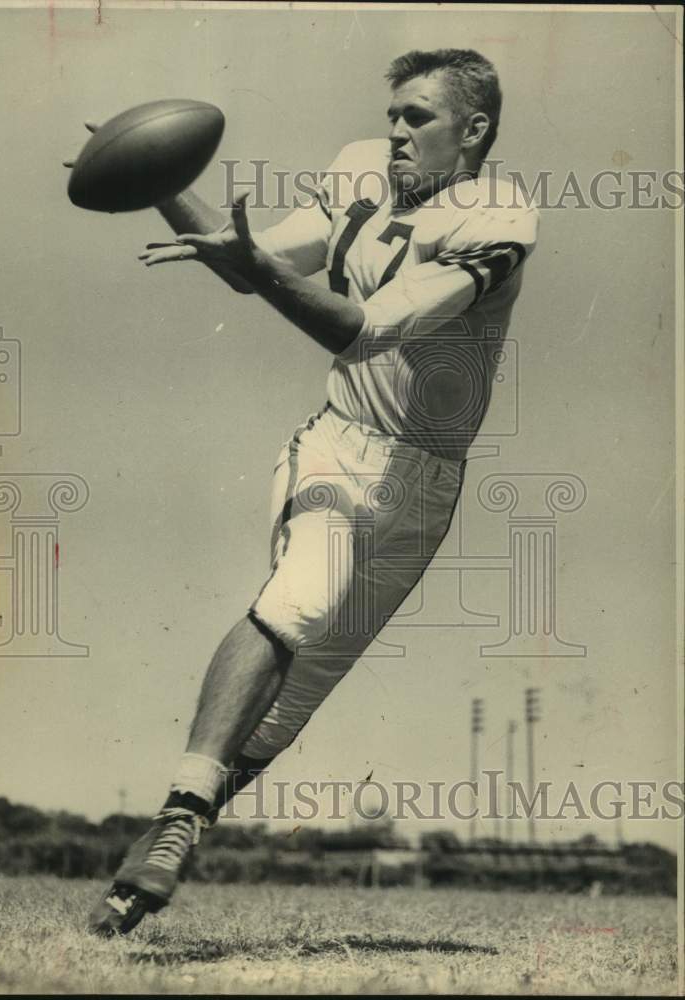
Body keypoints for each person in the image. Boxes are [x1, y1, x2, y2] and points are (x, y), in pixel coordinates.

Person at [85, 47, 539, 936]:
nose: (395, 130)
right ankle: (180, 816)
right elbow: (253, 259)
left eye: (417, 116)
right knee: (301, 601)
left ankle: (141, 873)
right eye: (392, 113)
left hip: (427, 485)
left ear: (474, 129)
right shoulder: (360, 170)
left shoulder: (501, 216)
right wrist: (164, 181)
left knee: (287, 712)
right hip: (340, 445)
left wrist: (252, 268)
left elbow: (363, 327)